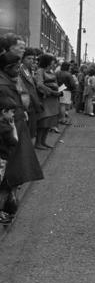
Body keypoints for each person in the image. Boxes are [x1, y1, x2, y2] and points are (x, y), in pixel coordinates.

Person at [0, 52, 43, 221]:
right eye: (16, 67)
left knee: (13, 173)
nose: (19, 70)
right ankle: (4, 208)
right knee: (10, 173)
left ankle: (8, 206)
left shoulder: (7, 81)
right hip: (10, 132)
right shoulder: (3, 84)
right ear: (7, 68)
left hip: (16, 128)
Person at [35, 54, 62, 149]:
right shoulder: (40, 71)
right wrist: (52, 92)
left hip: (53, 100)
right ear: (47, 61)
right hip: (46, 99)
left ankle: (43, 141)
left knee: (49, 122)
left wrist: (59, 90)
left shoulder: (51, 71)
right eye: (52, 61)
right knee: (44, 121)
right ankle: (38, 143)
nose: (54, 64)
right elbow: (39, 85)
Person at [0, 96, 18, 224]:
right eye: (11, 111)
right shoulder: (6, 128)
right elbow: (14, 141)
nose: (13, 114)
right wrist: (14, 127)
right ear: (4, 112)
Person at [19, 48, 42, 139]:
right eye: (29, 58)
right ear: (22, 58)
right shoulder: (20, 70)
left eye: (33, 59)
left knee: (32, 131)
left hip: (32, 103)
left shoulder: (28, 70)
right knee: (26, 133)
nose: (32, 61)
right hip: (26, 104)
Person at [56, 61, 77, 126]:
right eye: (69, 66)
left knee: (60, 105)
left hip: (59, 89)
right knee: (63, 106)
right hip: (66, 90)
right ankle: (63, 119)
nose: (70, 67)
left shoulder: (57, 73)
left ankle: (60, 118)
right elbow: (72, 84)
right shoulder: (68, 74)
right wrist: (74, 89)